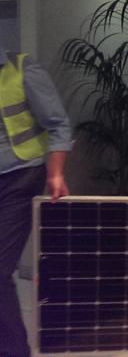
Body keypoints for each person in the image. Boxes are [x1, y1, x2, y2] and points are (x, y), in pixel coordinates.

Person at [0, 51, 71, 357]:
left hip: (20, 176)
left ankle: (14, 351)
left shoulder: (22, 68)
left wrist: (55, 173)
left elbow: (58, 124)